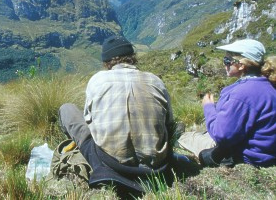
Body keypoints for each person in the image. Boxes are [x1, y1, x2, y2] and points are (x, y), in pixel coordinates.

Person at [58, 36, 174, 194]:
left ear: (106, 62)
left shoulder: (97, 81)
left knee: (67, 109)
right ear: (133, 57)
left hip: (110, 163)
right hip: (156, 166)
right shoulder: (156, 81)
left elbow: (89, 120)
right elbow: (169, 122)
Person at [178, 39, 276, 167]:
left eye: (227, 61)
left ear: (241, 65)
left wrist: (208, 107)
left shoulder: (242, 94)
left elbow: (222, 135)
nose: (225, 65)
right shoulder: (268, 85)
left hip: (248, 156)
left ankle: (178, 135)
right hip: (266, 152)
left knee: (187, 138)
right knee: (203, 134)